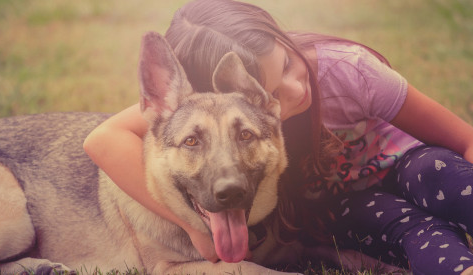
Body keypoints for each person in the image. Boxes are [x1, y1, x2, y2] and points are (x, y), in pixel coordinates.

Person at [83, 0, 473, 274]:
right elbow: (103, 139)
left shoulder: (349, 71)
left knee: (441, 173)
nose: (295, 89)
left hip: (412, 166)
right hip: (352, 201)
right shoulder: (197, 107)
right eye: (271, 90)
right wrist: (189, 227)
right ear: (216, 91)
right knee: (411, 230)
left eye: (287, 63)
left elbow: (463, 139)